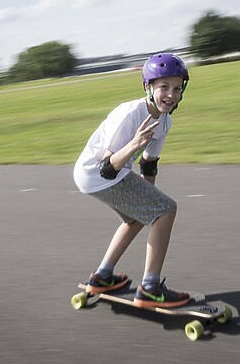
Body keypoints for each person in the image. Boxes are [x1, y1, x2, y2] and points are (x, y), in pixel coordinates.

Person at [73, 53, 190, 308]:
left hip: (108, 174)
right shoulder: (130, 114)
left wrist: (149, 207)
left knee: (142, 216)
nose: (171, 94)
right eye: (164, 87)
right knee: (168, 210)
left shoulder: (164, 121)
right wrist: (135, 143)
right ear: (148, 87)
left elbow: (149, 164)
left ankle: (102, 276)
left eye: (177, 88)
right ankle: (149, 287)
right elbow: (107, 168)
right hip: (97, 173)